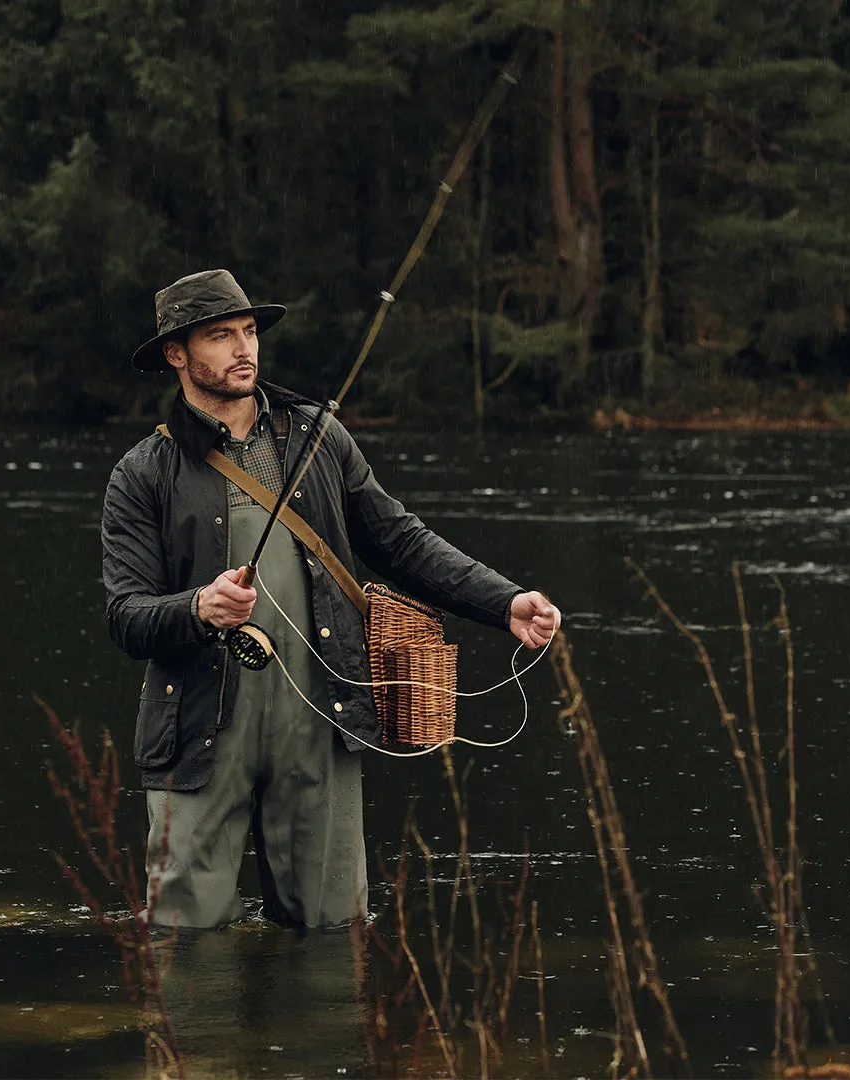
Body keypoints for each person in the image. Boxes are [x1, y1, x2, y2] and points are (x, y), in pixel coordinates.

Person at [102, 269, 559, 931]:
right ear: (177, 354)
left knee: (331, 931)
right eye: (220, 335)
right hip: (199, 728)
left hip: (321, 718)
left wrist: (504, 602)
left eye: (249, 331)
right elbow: (125, 616)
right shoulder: (142, 473)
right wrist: (196, 607)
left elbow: (401, 542)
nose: (243, 349)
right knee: (185, 935)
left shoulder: (320, 438)